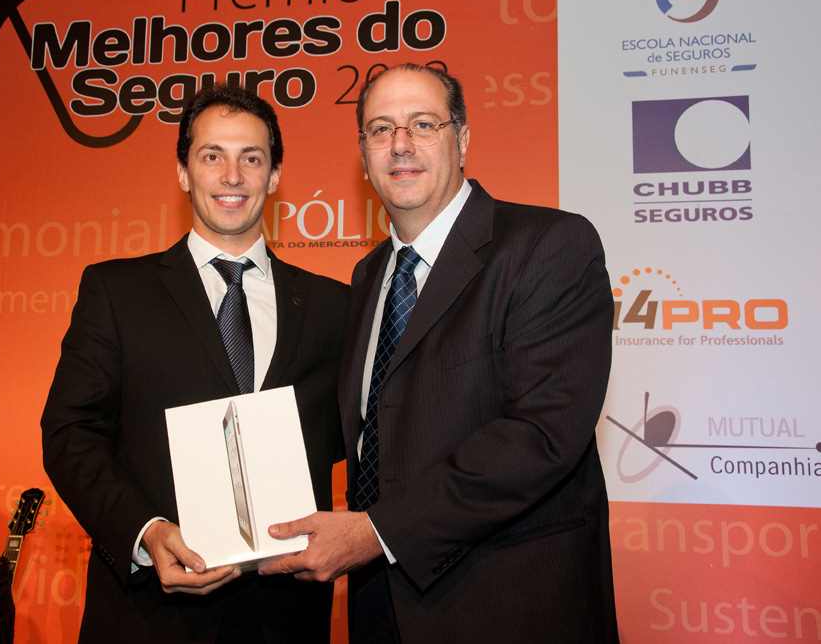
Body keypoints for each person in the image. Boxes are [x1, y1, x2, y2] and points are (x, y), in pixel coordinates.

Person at [260, 64, 619, 643]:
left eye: (423, 124)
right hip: (380, 607)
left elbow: (541, 433)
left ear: (463, 140)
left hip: (506, 608)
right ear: (363, 154)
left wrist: (376, 533)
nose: (400, 144)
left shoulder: (549, 246)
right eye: (380, 129)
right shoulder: (368, 275)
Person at [41, 85, 348, 643]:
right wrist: (145, 532)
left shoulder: (335, 306)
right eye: (212, 156)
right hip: (149, 619)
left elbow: (365, 438)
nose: (232, 176)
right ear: (183, 172)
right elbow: (70, 432)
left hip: (286, 619)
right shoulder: (117, 292)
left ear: (274, 176)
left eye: (251, 158)